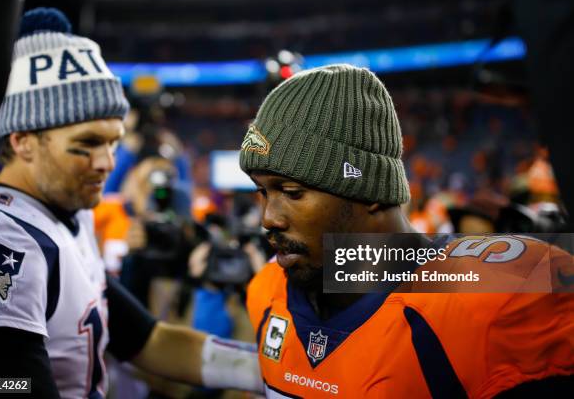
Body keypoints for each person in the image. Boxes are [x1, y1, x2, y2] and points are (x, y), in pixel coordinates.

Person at [0, 8, 261, 398]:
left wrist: (279, 372)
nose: (106, 162)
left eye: (113, 141)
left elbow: (149, 341)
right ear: (23, 141)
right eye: (85, 145)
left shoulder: (67, 213)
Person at [239, 64, 574, 397]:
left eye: (292, 192)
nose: (268, 218)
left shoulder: (486, 296)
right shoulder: (270, 288)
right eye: (262, 191)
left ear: (367, 189)